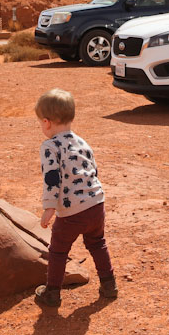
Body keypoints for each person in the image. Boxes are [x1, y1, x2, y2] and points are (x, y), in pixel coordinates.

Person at [34, 88, 117, 307]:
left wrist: (49, 207)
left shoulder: (50, 146)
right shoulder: (82, 142)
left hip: (72, 212)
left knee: (58, 250)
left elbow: (52, 178)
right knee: (97, 243)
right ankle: (109, 285)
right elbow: (94, 170)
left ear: (47, 122)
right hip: (96, 203)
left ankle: (52, 292)